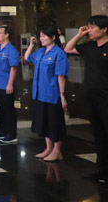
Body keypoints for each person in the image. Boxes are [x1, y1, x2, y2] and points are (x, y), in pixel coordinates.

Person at [65, 15, 108, 183]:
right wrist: (79, 34)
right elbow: (68, 49)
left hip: (106, 97)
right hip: (91, 96)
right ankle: (101, 170)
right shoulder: (89, 46)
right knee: (98, 134)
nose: (89, 30)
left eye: (92, 27)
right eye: (88, 27)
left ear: (104, 29)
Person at [24, 26, 69, 162]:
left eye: (44, 36)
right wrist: (31, 45)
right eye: (40, 36)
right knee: (44, 122)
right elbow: (27, 58)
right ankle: (48, 148)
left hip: (52, 94)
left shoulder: (59, 53)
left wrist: (62, 95)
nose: (41, 38)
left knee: (55, 123)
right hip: (40, 93)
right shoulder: (40, 51)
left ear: (53, 37)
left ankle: (57, 151)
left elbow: (61, 76)